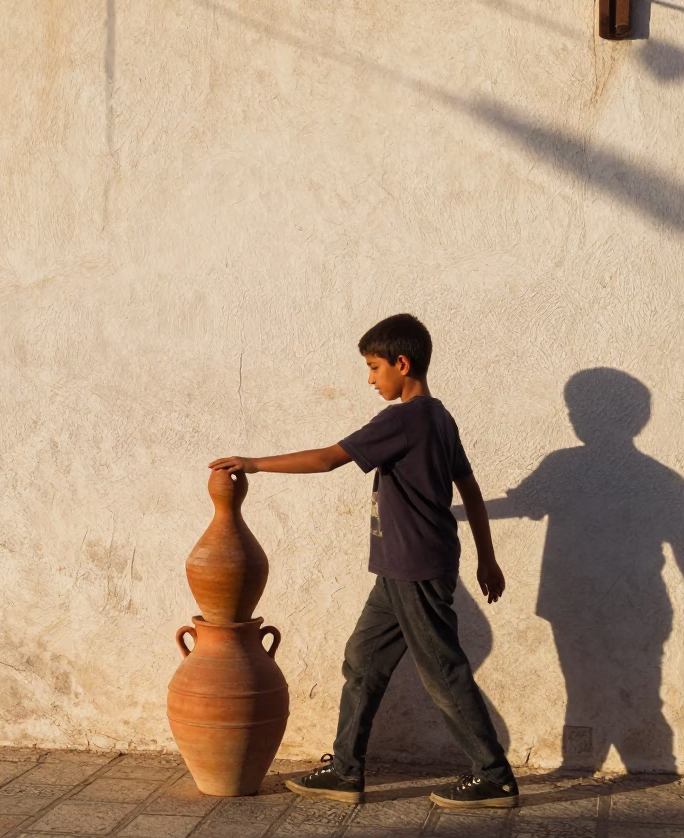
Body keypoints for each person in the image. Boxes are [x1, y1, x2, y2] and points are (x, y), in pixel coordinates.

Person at [209, 313, 517, 809]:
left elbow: (330, 458)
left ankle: (494, 776)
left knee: (443, 672)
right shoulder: (440, 417)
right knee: (363, 661)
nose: (370, 378)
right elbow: (471, 490)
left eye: (374, 367)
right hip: (397, 570)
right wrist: (486, 558)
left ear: (402, 362)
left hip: (415, 569)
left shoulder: (405, 419)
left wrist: (254, 463)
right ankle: (346, 771)